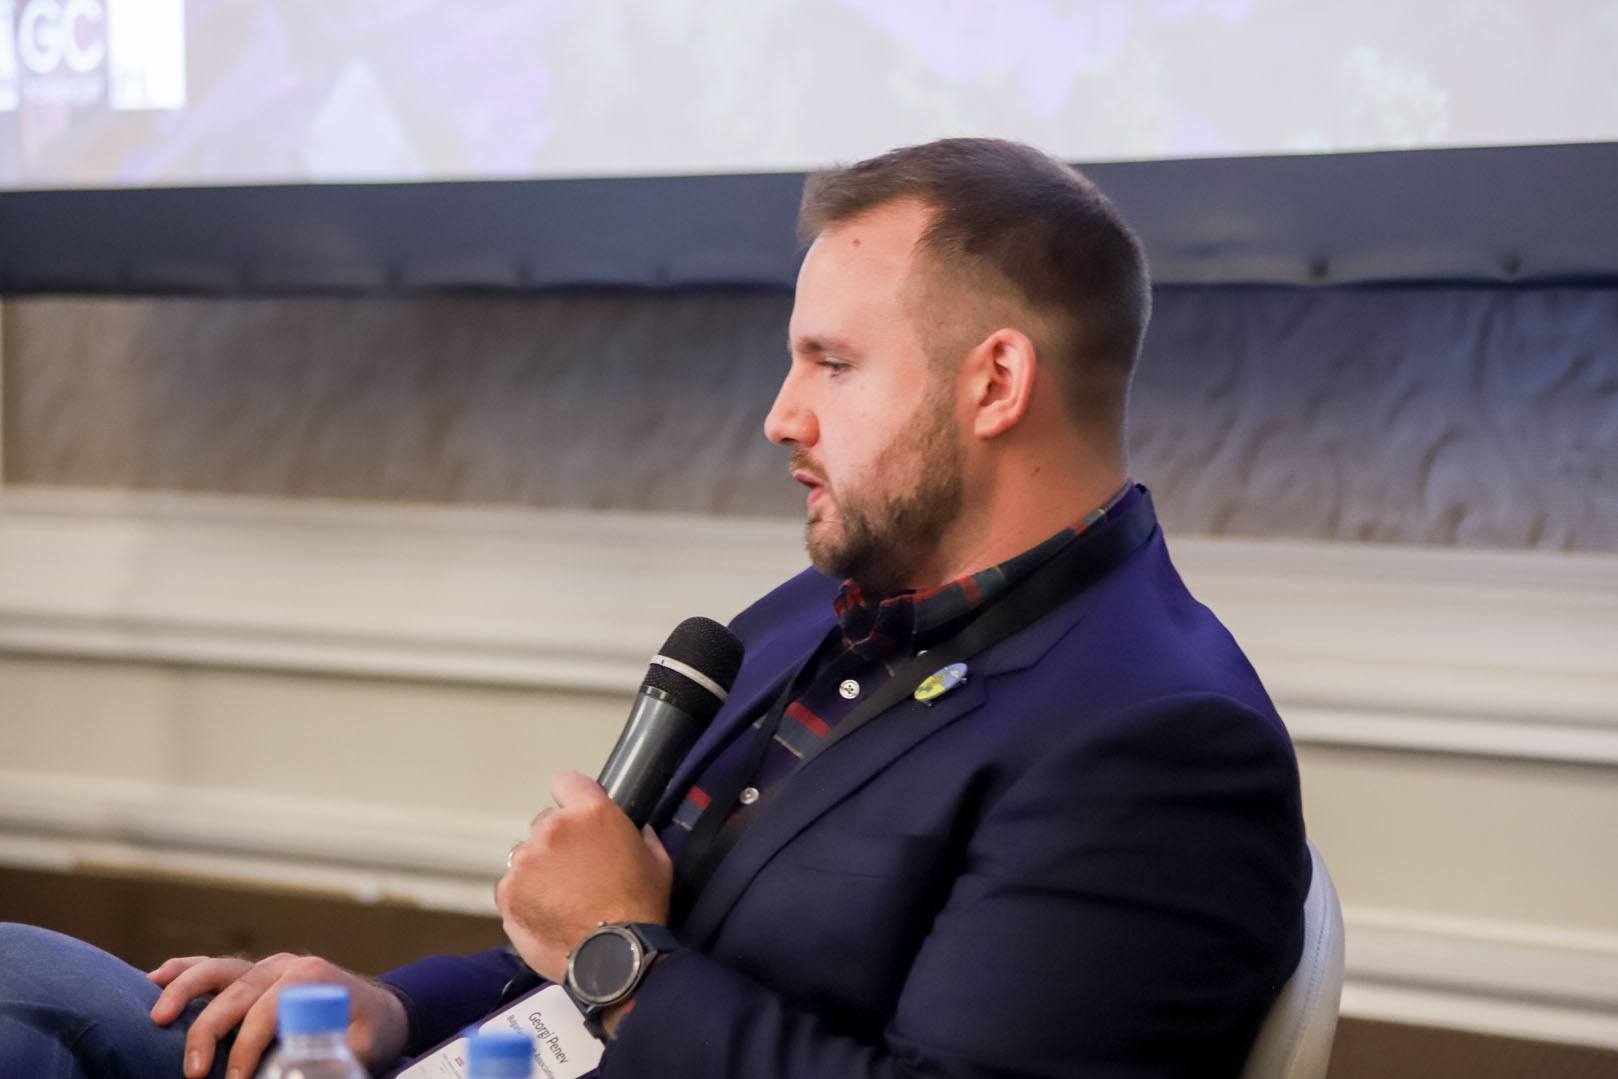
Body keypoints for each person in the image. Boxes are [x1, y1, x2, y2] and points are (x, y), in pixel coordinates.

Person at [0, 137, 1308, 1079]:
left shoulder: (1154, 742)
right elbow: (577, 960)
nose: (780, 417)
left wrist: (620, 952)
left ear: (997, 382)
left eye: (831, 364)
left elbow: (617, 958)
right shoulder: (820, 610)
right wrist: (388, 1012)